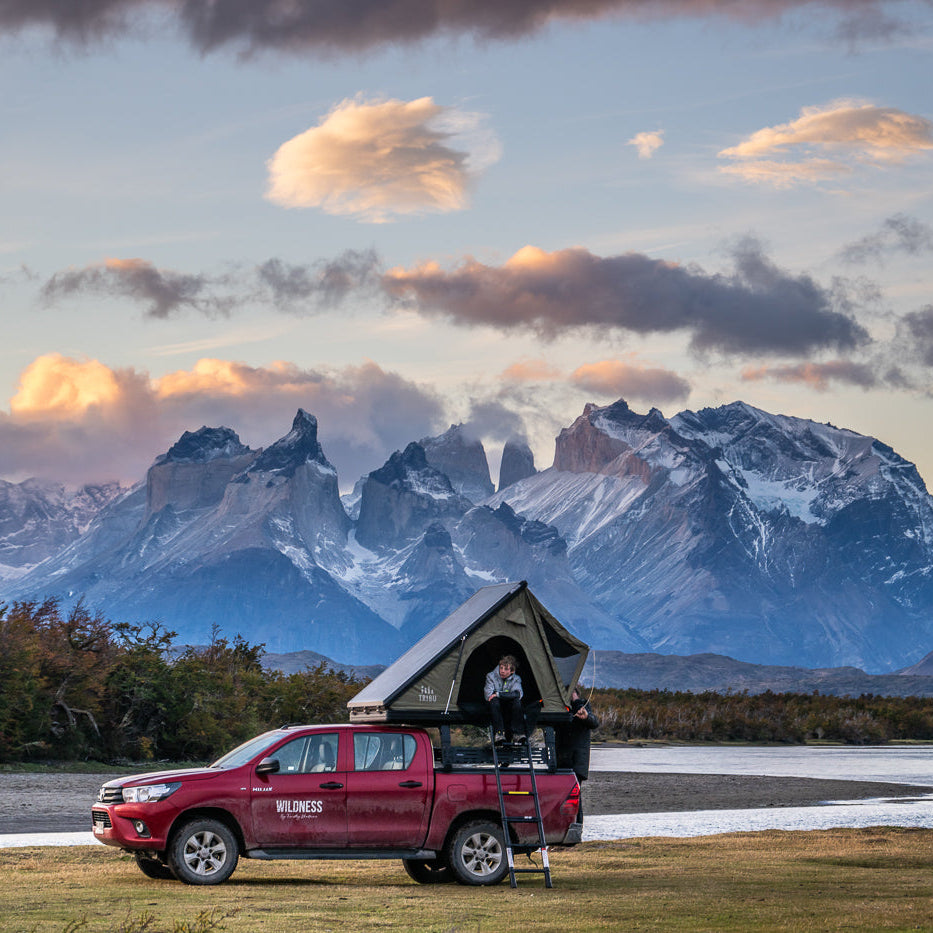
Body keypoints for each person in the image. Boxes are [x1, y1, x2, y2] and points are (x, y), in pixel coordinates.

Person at [555, 687, 599, 822]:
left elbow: (594, 722)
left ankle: (577, 825)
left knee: (575, 795)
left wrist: (576, 701)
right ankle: (566, 825)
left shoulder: (583, 706)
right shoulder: (560, 708)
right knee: (563, 796)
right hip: (563, 760)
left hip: (577, 761)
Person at [484, 654, 525, 744]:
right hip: (494, 706)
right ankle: (499, 734)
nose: (502, 671)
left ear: (512, 671)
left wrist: (498, 694)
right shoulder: (490, 676)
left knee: (517, 702)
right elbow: (488, 695)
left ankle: (517, 734)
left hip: (508, 705)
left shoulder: (516, 679)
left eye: (506, 669)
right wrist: (505, 695)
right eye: (501, 668)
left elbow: (518, 694)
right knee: (494, 701)